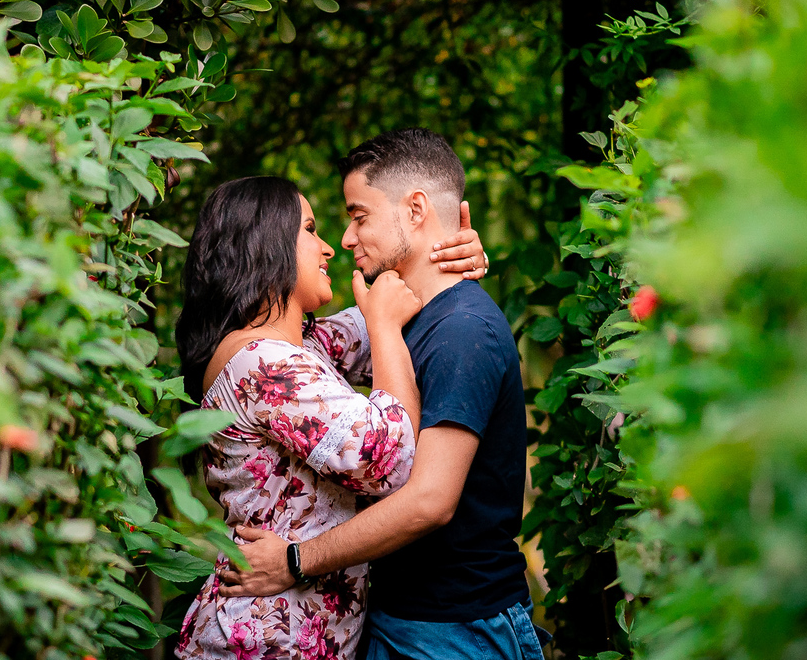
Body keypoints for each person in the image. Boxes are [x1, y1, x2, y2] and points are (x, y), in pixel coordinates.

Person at [219, 130, 548, 660]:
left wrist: (296, 560)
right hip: (401, 619)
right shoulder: (398, 321)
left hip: (455, 630)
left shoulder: (463, 330)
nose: (346, 238)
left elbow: (428, 501)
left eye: (359, 215)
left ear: (415, 210)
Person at [173, 176, 489, 659]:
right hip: (264, 645)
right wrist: (384, 323)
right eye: (310, 230)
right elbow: (390, 461)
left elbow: (401, 307)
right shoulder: (262, 365)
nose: (328, 248)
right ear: (268, 244)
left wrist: (447, 256)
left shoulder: (297, 348)